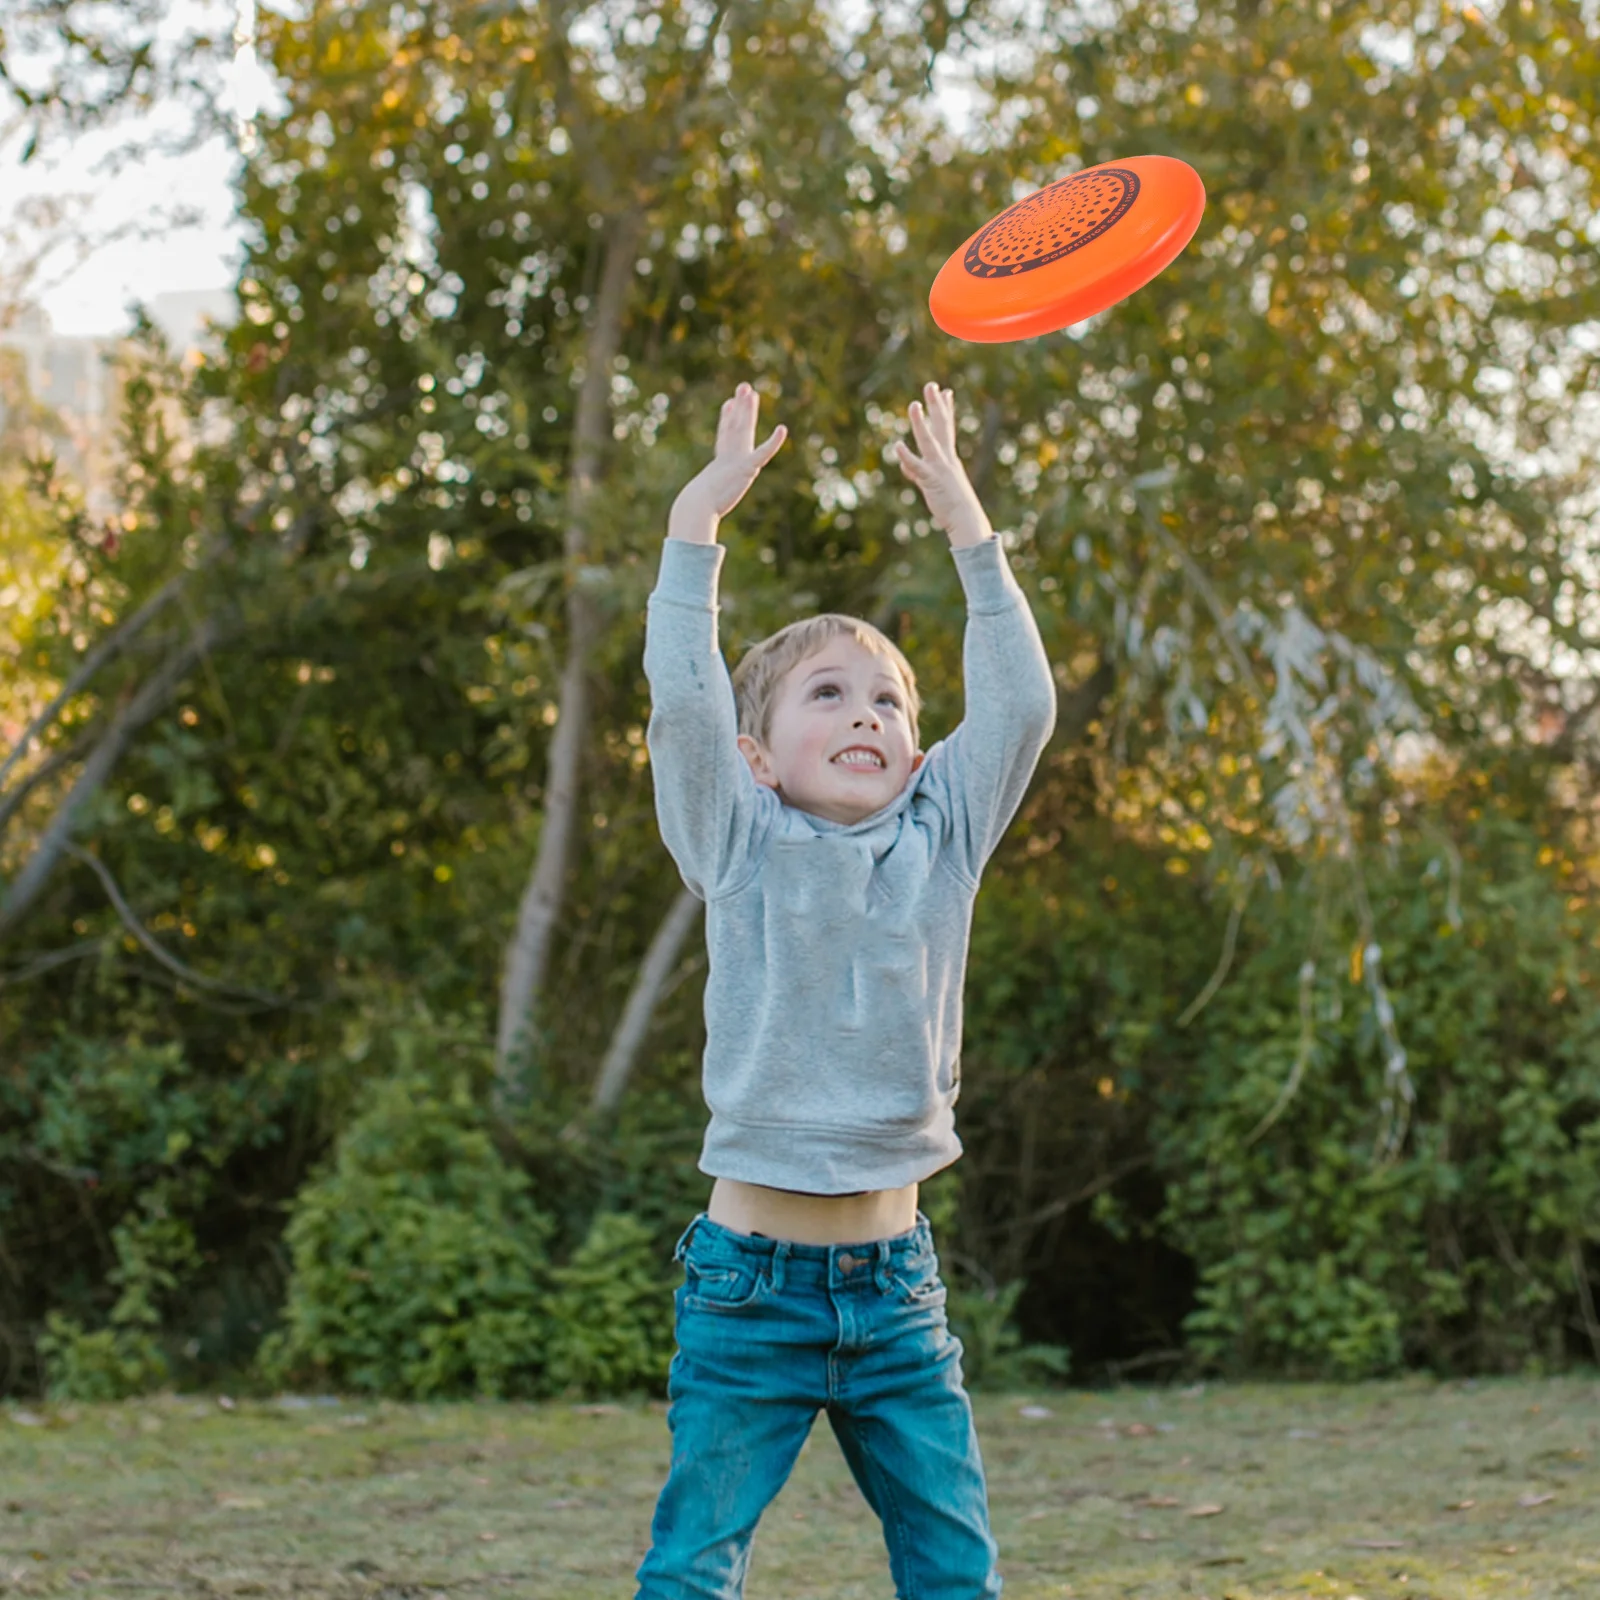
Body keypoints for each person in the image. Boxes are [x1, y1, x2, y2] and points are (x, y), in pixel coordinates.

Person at [635, 379, 1056, 1599]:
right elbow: (684, 703)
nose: (865, 712)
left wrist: (967, 524)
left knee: (955, 1570)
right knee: (692, 1566)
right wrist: (695, 527)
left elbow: (1021, 704)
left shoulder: (944, 833)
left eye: (887, 700)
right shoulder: (739, 838)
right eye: (826, 693)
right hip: (748, 1289)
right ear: (757, 757)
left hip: (897, 1291)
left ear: (918, 752)